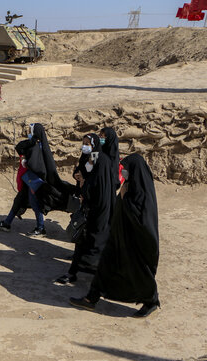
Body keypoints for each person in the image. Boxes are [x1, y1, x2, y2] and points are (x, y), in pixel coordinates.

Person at [70, 154, 160, 317]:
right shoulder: (130, 186)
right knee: (105, 267)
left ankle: (151, 301)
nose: (124, 173)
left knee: (139, 273)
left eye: (126, 170)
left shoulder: (142, 193)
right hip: (118, 239)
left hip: (135, 245)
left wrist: (125, 199)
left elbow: (143, 221)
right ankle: (91, 298)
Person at [55, 134, 115, 285]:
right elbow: (84, 173)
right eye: (84, 143)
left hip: (96, 211)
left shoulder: (101, 162)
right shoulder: (93, 158)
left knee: (89, 242)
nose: (85, 146)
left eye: (87, 144)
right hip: (89, 207)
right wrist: (79, 178)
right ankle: (73, 272)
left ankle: (79, 273)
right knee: (82, 241)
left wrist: (84, 184)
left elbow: (96, 186)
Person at [0, 124, 47, 236]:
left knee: (34, 203)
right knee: (18, 200)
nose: (28, 132)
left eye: (30, 131)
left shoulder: (39, 147)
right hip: (27, 180)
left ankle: (41, 228)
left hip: (34, 181)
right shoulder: (33, 144)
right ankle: (7, 223)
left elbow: (38, 166)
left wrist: (26, 163)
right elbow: (19, 147)